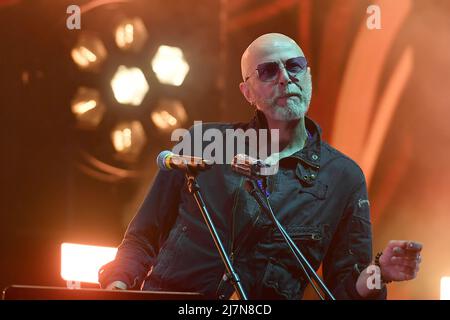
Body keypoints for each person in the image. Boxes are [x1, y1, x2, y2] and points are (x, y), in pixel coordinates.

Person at [98, 33, 422, 299]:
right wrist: (118, 286)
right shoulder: (203, 141)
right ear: (247, 92)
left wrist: (380, 274)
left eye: (294, 66)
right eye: (268, 71)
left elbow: (342, 290)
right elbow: (143, 236)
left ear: (308, 76)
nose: (285, 78)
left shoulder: (343, 178)